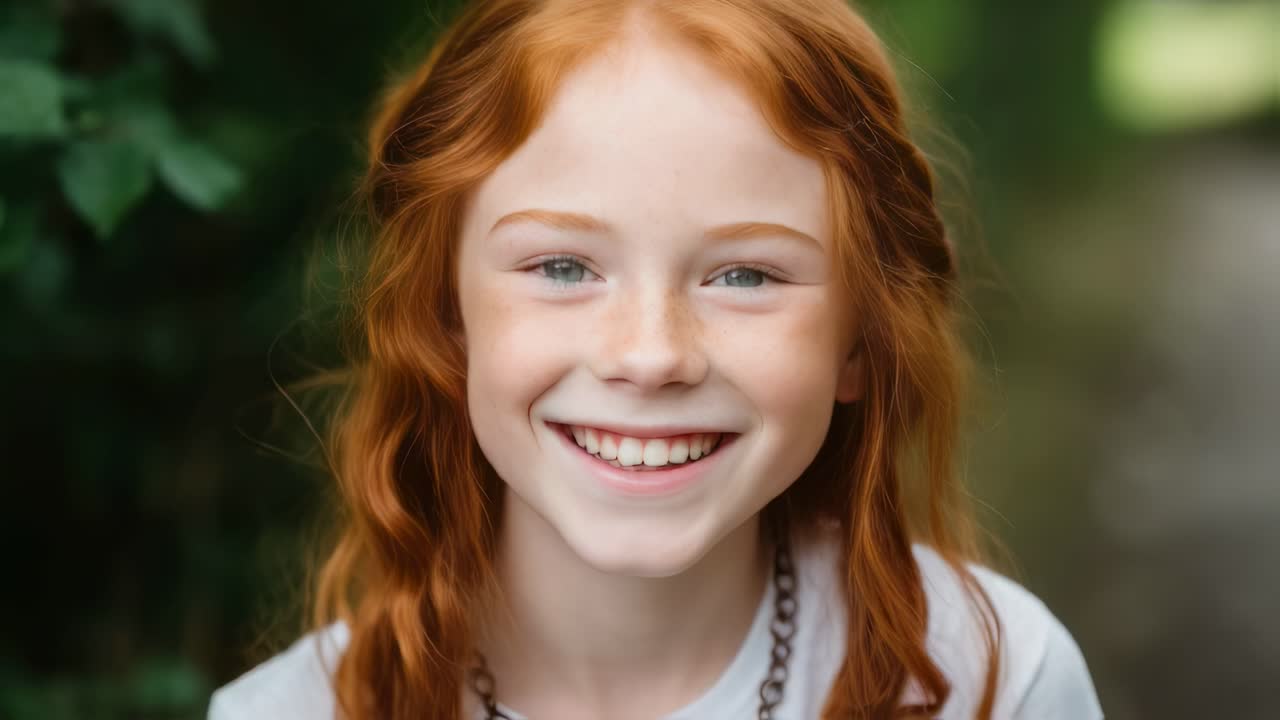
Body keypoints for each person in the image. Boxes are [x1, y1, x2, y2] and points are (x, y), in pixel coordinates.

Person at [208, 0, 1104, 718]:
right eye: (562, 267)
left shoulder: (991, 685)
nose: (649, 355)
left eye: (746, 274)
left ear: (861, 341)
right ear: (444, 315)